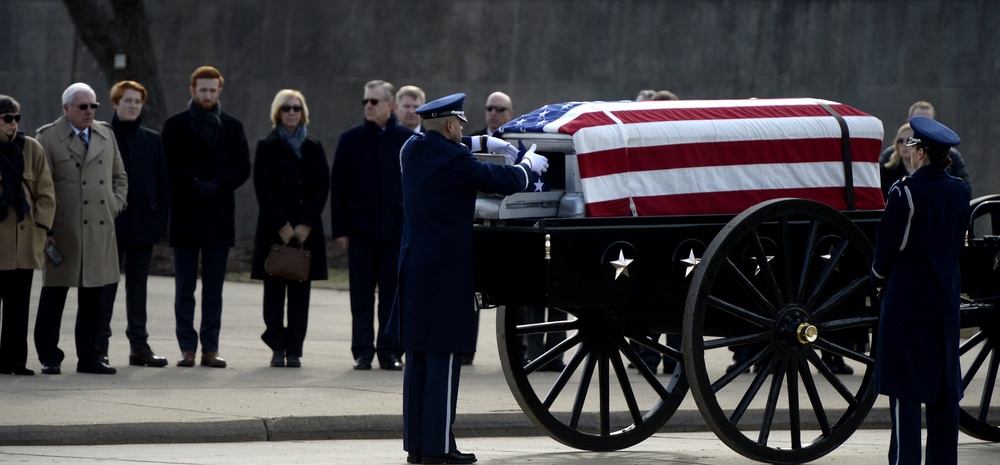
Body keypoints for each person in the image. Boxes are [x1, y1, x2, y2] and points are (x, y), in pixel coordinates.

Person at [393, 93, 548, 465]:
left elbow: (436, 140)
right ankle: (440, 449)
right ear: (449, 126)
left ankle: (418, 446)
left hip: (415, 268)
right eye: (459, 124)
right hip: (444, 274)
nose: (463, 129)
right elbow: (503, 179)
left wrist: (482, 141)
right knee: (445, 359)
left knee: (419, 359)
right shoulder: (454, 160)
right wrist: (530, 164)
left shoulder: (412, 151)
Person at [871, 116, 970, 465]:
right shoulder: (960, 190)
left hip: (907, 307)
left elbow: (886, 251)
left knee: (905, 395)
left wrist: (877, 279)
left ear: (922, 152)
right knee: (944, 396)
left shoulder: (905, 192)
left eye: (912, 145)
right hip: (944, 304)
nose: (909, 151)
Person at [34, 83, 127, 375]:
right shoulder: (47, 137)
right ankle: (49, 356)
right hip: (64, 230)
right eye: (83, 107)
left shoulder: (105, 134)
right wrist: (46, 227)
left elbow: (119, 177)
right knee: (54, 295)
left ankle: (89, 356)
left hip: (100, 229)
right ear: (66, 109)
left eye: (93, 106)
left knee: (94, 298)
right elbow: (41, 186)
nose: (90, 112)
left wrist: (114, 205)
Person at [162, 66, 251, 368]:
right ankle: (187, 346)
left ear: (220, 91)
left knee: (214, 290)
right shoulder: (175, 125)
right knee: (184, 288)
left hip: (218, 214)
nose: (208, 95)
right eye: (203, 90)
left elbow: (242, 167)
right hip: (186, 213)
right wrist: (195, 184)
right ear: (192, 90)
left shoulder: (233, 126)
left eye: (213, 90)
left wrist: (218, 184)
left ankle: (210, 348)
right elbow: (169, 165)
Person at [251, 89, 329, 368]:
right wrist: (283, 225)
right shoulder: (266, 145)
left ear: (303, 112)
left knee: (299, 295)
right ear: (278, 113)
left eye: (296, 108)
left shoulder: (314, 146)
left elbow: (322, 187)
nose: (292, 112)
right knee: (273, 294)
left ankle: (294, 349)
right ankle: (276, 345)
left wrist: (305, 224)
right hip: (275, 230)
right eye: (286, 108)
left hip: (306, 232)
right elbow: (262, 188)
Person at [98, 80, 171, 368]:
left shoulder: (152, 139)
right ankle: (99, 346)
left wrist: (158, 219)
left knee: (138, 290)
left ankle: (139, 347)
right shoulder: (102, 136)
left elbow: (164, 183)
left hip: (144, 224)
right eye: (127, 101)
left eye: (137, 102)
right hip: (109, 225)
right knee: (105, 288)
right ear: (115, 104)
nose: (132, 106)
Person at [0, 95, 56, 376]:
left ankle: (14, 361)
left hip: (24, 242)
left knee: (18, 308)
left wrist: (42, 229)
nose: (13, 124)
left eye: (16, 118)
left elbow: (46, 194)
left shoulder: (31, 148)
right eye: (7, 118)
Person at [878, 101, 969, 192]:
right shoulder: (889, 156)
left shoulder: (953, 156)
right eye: (901, 141)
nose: (924, 126)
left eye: (928, 121)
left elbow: (965, 189)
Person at [879, 123, 914, 200]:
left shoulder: (929, 172)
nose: (904, 144)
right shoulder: (886, 172)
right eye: (900, 141)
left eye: (909, 140)